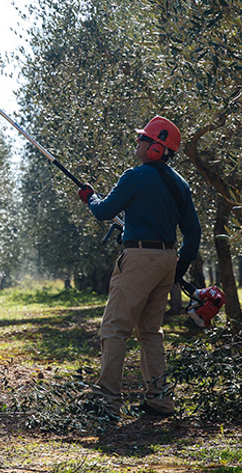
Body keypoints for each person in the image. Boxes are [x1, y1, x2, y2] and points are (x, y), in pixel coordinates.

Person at [78, 115, 201, 418]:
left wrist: (90, 197)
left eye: (142, 138)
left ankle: (108, 403)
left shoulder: (134, 176)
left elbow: (104, 211)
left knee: (115, 327)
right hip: (166, 261)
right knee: (150, 331)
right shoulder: (180, 185)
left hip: (139, 259)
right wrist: (178, 268)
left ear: (156, 148)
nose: (138, 142)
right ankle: (159, 400)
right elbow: (193, 233)